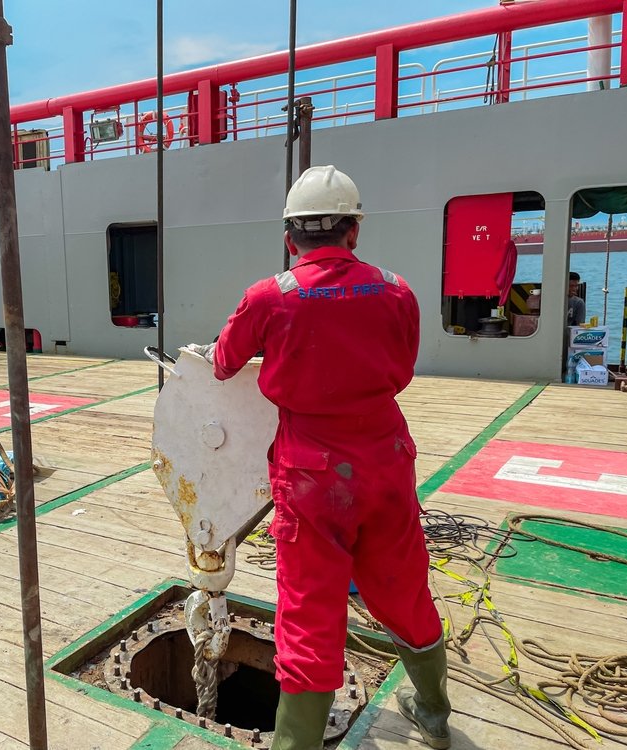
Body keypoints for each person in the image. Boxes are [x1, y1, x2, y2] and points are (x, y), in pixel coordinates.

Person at [192, 166, 451, 750]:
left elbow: (224, 362)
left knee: (309, 616)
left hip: (310, 475)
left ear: (291, 237)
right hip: (386, 460)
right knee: (404, 589)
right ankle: (433, 712)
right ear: (353, 231)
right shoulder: (397, 290)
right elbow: (402, 368)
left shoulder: (269, 297)